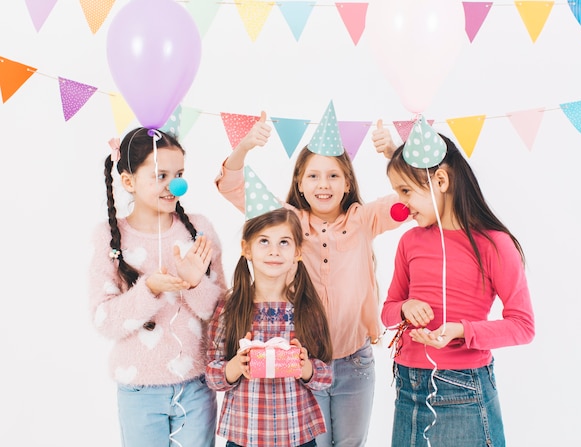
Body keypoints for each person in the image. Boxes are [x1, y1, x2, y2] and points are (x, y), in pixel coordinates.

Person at [215, 108, 405, 446]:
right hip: (304, 358)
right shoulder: (289, 222)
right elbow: (232, 187)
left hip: (355, 360)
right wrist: (243, 148)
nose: (324, 185)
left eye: (333, 176)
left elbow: (411, 200)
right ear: (300, 184)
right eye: (313, 176)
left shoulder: (365, 218)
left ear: (348, 183)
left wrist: (394, 155)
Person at [381, 123, 535, 447]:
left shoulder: (495, 245)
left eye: (406, 191)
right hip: (408, 386)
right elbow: (388, 313)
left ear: (441, 181)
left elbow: (523, 326)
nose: (400, 204)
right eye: (397, 192)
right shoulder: (409, 242)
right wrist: (406, 307)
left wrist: (462, 331)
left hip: (464, 388)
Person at [89, 127, 226, 447]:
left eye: (178, 173)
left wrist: (194, 284)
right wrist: (148, 289)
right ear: (128, 181)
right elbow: (105, 320)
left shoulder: (200, 230)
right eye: (160, 175)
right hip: (139, 391)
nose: (174, 184)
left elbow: (221, 314)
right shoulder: (108, 238)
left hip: (196, 386)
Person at [206, 207, 333, 447]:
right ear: (247, 249)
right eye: (264, 241)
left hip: (297, 434)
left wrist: (306, 367)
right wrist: (235, 366)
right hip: (245, 433)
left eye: (284, 242)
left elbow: (326, 375)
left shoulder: (306, 309)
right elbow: (213, 375)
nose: (274, 251)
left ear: (297, 252)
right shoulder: (230, 307)